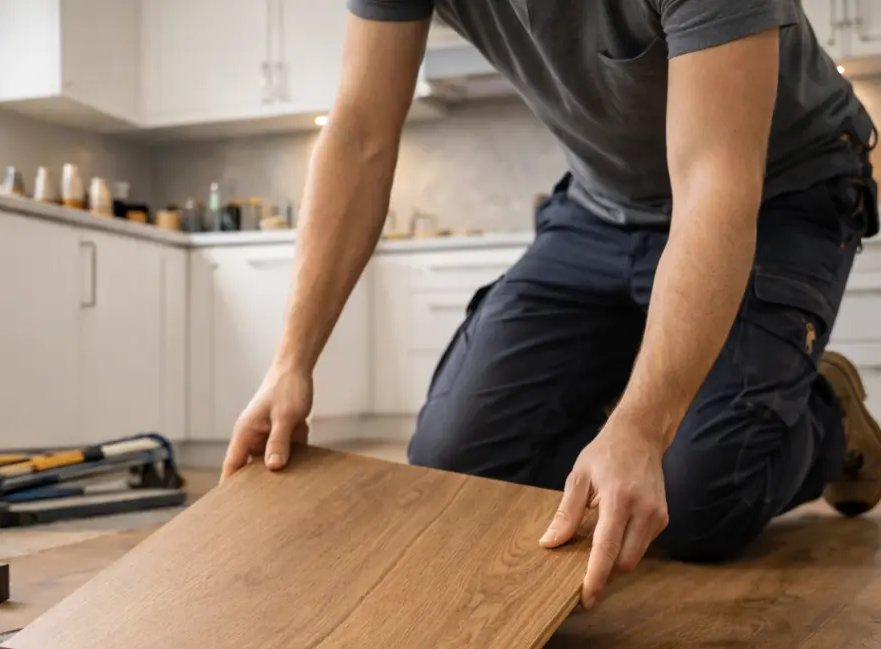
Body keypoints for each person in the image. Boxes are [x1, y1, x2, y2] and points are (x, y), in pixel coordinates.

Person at [221, 0, 881, 608]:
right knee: (458, 471)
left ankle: (825, 415)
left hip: (778, 194)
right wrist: (290, 363)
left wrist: (643, 429)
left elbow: (714, 183)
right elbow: (359, 135)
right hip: (601, 206)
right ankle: (683, 398)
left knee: (696, 499)